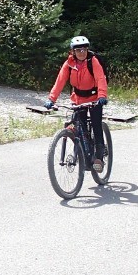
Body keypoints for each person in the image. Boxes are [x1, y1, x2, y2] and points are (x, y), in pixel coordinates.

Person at [44, 35, 109, 172]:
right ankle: (84, 154)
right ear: (72, 52)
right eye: (78, 50)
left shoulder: (93, 61)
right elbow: (60, 81)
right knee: (80, 127)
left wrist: (102, 95)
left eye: (84, 49)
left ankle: (99, 157)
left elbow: (100, 78)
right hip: (78, 99)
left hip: (95, 98)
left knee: (96, 125)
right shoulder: (68, 64)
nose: (82, 52)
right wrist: (51, 99)